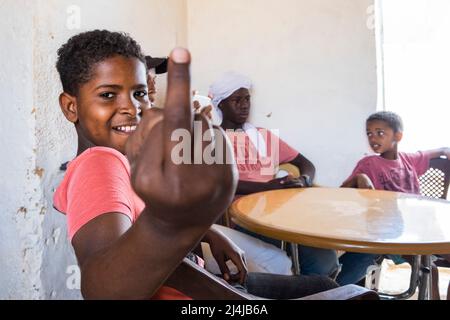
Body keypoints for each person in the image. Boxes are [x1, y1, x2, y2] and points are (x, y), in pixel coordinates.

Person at [53, 30, 338, 299]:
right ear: (71, 107)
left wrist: (203, 230)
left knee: (324, 284)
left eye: (139, 93)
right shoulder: (101, 163)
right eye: (108, 94)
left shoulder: (123, 162)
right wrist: (170, 223)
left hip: (203, 279)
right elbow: (102, 289)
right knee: (331, 288)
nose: (132, 107)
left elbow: (140, 239)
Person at [208, 72, 377, 286]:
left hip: (282, 209)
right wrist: (266, 186)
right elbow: (218, 184)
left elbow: (306, 165)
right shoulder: (213, 139)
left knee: (330, 258)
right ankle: (325, 289)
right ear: (220, 104)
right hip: (244, 216)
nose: (244, 105)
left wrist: (304, 180)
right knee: (313, 258)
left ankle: (326, 290)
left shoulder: (262, 135)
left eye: (247, 99)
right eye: (236, 100)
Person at [341, 110, 450, 298]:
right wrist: (361, 178)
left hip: (416, 228)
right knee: (429, 268)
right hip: (387, 232)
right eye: (369, 133)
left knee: (433, 263)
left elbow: (436, 151)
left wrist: (444, 151)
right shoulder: (368, 164)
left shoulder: (409, 160)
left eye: (380, 132)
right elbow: (342, 191)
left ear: (398, 136)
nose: (373, 138)